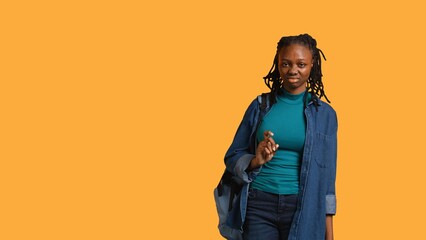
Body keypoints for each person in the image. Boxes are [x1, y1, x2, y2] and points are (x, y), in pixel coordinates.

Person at [223, 34, 337, 240]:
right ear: (278, 64)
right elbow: (233, 156)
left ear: (312, 65)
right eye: (286, 63)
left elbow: (326, 178)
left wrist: (330, 234)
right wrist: (255, 160)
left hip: (304, 207)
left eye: (301, 64)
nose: (293, 70)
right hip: (259, 203)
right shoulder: (260, 106)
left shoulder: (325, 115)